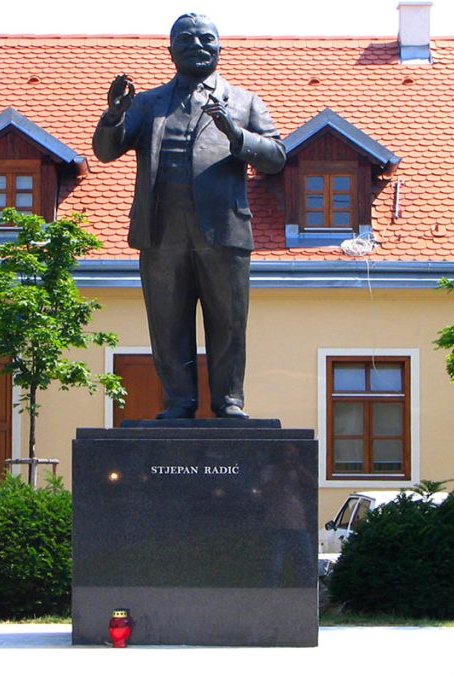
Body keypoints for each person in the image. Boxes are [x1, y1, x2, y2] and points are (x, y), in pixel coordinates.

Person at [93, 13, 286, 419]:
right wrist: (113, 116)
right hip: (161, 232)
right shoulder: (148, 103)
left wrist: (236, 135)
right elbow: (106, 152)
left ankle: (228, 400)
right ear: (170, 51)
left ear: (219, 47)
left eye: (206, 39)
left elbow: (276, 158)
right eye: (186, 39)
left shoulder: (245, 102)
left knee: (228, 321)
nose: (197, 45)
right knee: (167, 323)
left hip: (224, 231)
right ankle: (179, 401)